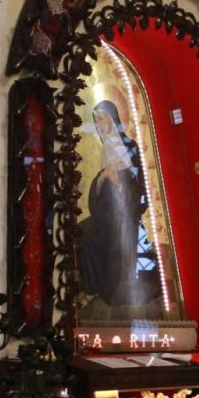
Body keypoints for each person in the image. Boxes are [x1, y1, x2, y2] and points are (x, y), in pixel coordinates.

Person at [78, 99, 158, 308]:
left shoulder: (130, 147)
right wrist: (103, 177)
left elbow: (140, 186)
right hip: (106, 216)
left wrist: (120, 184)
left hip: (125, 218)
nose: (98, 125)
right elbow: (102, 185)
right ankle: (92, 289)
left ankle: (101, 290)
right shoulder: (106, 148)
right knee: (80, 234)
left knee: (87, 237)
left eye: (101, 119)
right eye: (96, 120)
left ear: (113, 120)